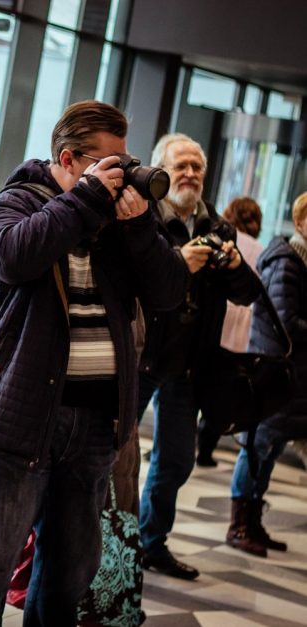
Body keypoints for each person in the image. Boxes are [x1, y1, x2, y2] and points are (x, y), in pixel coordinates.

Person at [0, 100, 188, 627]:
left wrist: (142, 228)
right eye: (110, 164)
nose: (122, 176)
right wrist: (84, 201)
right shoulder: (14, 204)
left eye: (126, 162)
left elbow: (170, 291)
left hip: (97, 423)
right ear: (69, 159)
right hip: (22, 413)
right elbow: (12, 257)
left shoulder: (120, 224)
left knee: (71, 569)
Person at [137, 133, 261, 580]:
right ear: (160, 170)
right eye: (181, 166)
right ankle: (103, 540)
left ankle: (151, 543)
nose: (189, 174)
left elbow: (249, 295)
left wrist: (233, 267)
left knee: (175, 461)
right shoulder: (143, 217)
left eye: (197, 167)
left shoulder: (218, 228)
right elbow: (130, 275)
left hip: (187, 365)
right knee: (108, 455)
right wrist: (177, 260)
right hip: (139, 356)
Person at [226, 191, 307, 557]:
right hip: (273, 372)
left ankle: (253, 522)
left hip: (288, 376)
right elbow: (286, 321)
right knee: (256, 449)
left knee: (268, 451)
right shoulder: (287, 262)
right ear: (302, 222)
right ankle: (239, 524)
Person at [196, 196, 265, 466]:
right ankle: (207, 446)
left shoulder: (220, 237)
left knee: (202, 377)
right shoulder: (259, 248)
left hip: (218, 318)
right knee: (222, 387)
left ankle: (193, 431)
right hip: (241, 324)